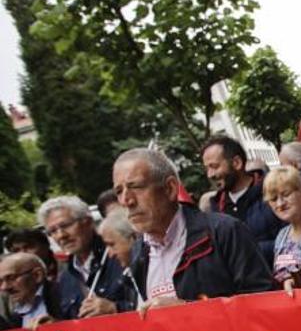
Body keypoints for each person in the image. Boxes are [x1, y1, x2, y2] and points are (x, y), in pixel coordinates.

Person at [114, 148, 273, 313]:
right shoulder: (138, 253)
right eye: (119, 191)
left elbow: (264, 305)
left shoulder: (226, 232)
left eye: (136, 187)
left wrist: (189, 311)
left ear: (170, 188)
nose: (127, 200)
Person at [38, 195, 125, 318]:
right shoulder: (64, 279)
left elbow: (151, 304)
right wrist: (54, 325)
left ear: (88, 222)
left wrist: (116, 308)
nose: (61, 235)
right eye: (52, 231)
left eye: (66, 225)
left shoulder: (120, 256)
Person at [201, 136, 283, 262]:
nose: (210, 175)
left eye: (215, 166)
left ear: (237, 163)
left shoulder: (274, 191)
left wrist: (246, 251)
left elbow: (293, 240)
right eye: (207, 169)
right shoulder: (215, 209)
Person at [0, 252, 63, 327]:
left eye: (11, 278)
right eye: (0, 282)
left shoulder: (65, 295)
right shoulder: (14, 311)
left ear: (37, 275)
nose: (4, 287)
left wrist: (59, 326)